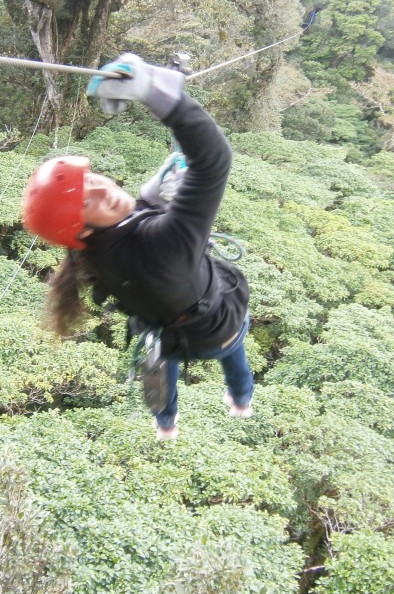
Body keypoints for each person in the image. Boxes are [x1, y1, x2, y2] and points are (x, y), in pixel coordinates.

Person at [21, 53, 253, 440]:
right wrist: (162, 95)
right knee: (237, 353)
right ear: (80, 226)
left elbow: (131, 224)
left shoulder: (88, 250)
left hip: (159, 328)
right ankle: (241, 400)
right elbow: (212, 161)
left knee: (160, 369)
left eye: (90, 179)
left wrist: (150, 198)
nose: (100, 188)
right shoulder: (163, 245)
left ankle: (165, 425)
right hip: (215, 327)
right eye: (84, 201)